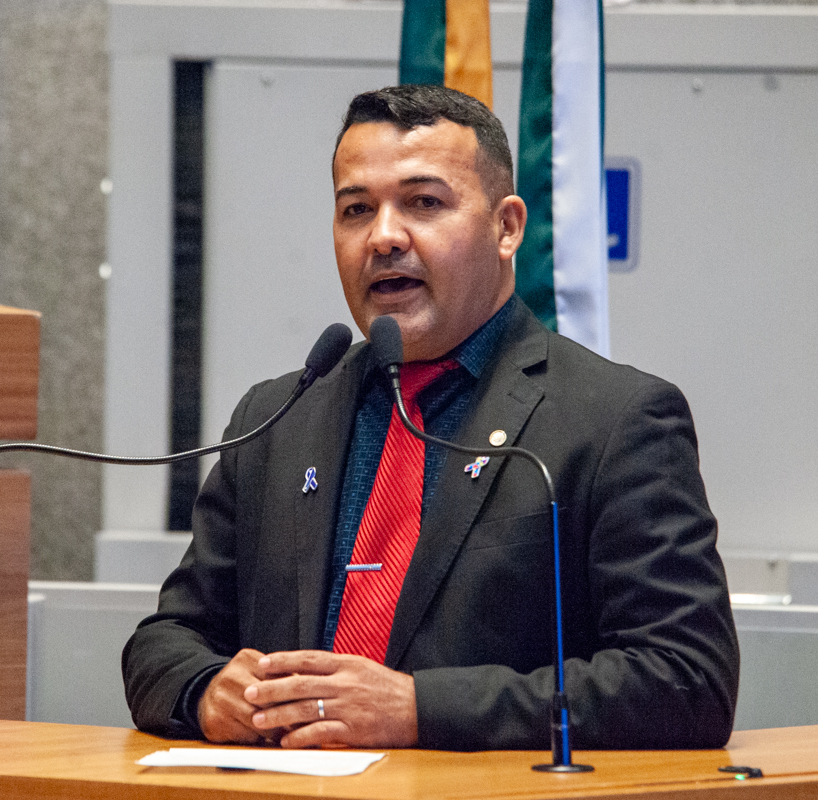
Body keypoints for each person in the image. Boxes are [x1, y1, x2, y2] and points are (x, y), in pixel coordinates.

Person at [122, 84, 738, 751]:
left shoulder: (614, 420)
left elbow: (687, 681)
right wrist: (206, 690)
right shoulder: (277, 417)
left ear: (507, 228)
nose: (384, 236)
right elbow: (166, 640)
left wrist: (420, 709)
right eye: (356, 210)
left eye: (424, 203)